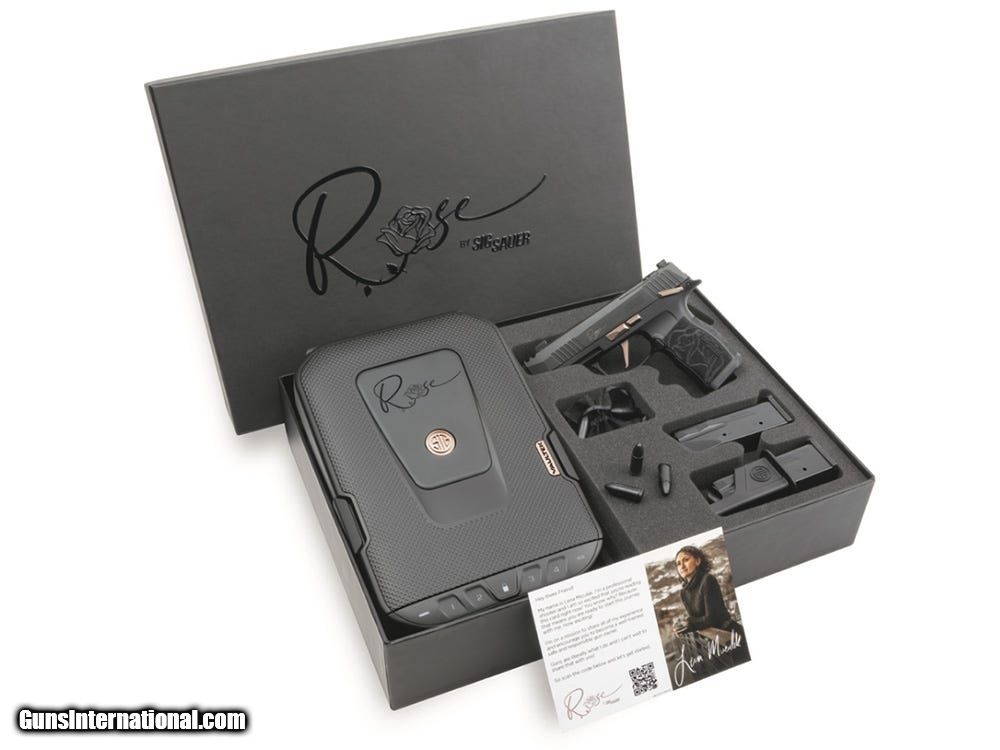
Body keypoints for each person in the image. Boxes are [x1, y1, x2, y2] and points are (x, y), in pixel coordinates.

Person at [671, 545, 742, 637]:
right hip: (711, 637)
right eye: (678, 563)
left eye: (686, 560)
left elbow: (712, 618)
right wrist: (682, 627)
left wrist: (689, 624)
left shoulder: (707, 580)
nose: (682, 566)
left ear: (697, 561)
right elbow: (696, 620)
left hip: (729, 634)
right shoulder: (683, 593)